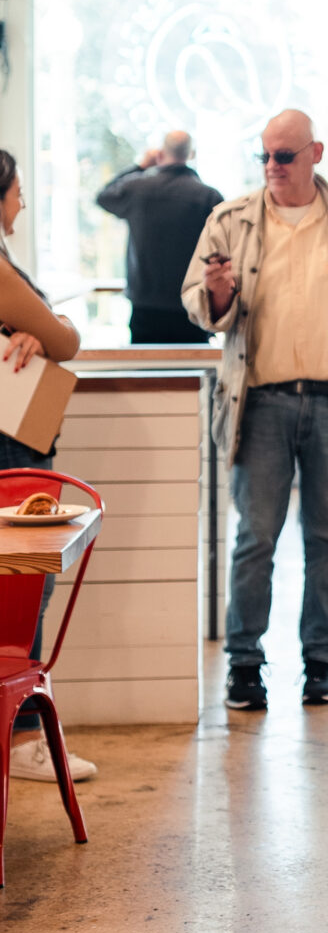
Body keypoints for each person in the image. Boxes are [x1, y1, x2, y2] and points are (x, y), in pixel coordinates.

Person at [181, 110, 328, 712]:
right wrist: (219, 295)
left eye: (284, 156)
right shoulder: (229, 220)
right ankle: (244, 666)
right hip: (260, 402)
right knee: (255, 539)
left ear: (316, 153)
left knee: (327, 537)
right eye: (264, 156)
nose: (272, 168)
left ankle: (320, 662)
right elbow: (198, 304)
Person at [0, 152, 95, 789]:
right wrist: (46, 326)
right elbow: (65, 340)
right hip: (12, 440)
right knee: (24, 586)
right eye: (17, 191)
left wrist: (24, 328)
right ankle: (24, 738)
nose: (22, 203)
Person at [96, 131, 223, 345]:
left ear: (160, 154)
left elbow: (104, 197)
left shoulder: (137, 189)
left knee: (147, 375)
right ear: (190, 154)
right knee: (193, 375)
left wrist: (141, 166)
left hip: (145, 308)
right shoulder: (208, 197)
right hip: (191, 307)